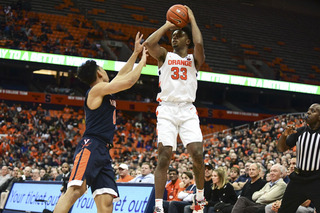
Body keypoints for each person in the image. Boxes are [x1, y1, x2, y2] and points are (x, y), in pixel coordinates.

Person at [53, 32, 148, 213]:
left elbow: (121, 75)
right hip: (91, 145)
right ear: (99, 72)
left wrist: (135, 54)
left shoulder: (103, 89)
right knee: (75, 190)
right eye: (103, 69)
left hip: (103, 150)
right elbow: (127, 81)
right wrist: (142, 62)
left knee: (106, 203)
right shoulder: (96, 90)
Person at [144, 5, 206, 213]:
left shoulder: (194, 60)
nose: (174, 38)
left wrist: (192, 17)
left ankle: (199, 198)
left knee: (197, 153)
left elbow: (198, 42)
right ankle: (159, 206)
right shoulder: (164, 56)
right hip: (167, 109)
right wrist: (168, 25)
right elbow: (148, 43)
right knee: (164, 155)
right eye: (173, 36)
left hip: (188, 109)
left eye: (178, 35)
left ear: (186, 41)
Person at [277, 103, 320, 213]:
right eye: (308, 110)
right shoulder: (300, 131)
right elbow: (281, 149)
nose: (308, 112)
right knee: (284, 210)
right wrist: (284, 136)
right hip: (298, 179)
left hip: (317, 180)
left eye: (313, 111)